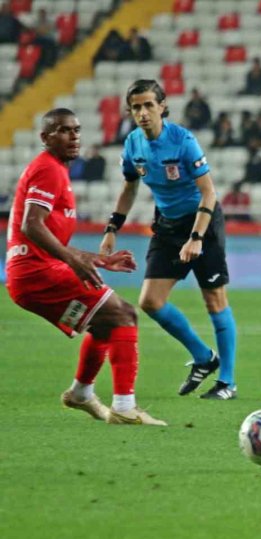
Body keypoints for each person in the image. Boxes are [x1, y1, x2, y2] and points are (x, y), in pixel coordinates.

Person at [5, 108, 165, 425]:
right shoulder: (48, 169)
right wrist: (72, 259)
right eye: (63, 130)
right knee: (124, 314)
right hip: (36, 273)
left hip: (33, 273)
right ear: (45, 137)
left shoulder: (55, 170)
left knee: (104, 324)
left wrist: (96, 259)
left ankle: (81, 393)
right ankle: (124, 407)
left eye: (76, 130)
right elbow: (31, 225)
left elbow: (48, 236)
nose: (73, 136)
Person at [99, 80, 238, 400]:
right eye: (136, 107)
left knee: (215, 300)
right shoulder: (133, 144)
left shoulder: (183, 141)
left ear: (162, 106)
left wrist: (196, 238)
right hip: (167, 226)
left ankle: (227, 382)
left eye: (149, 105)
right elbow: (129, 187)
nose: (143, 113)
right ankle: (204, 357)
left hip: (203, 223)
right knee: (150, 301)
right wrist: (112, 227)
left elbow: (209, 193)